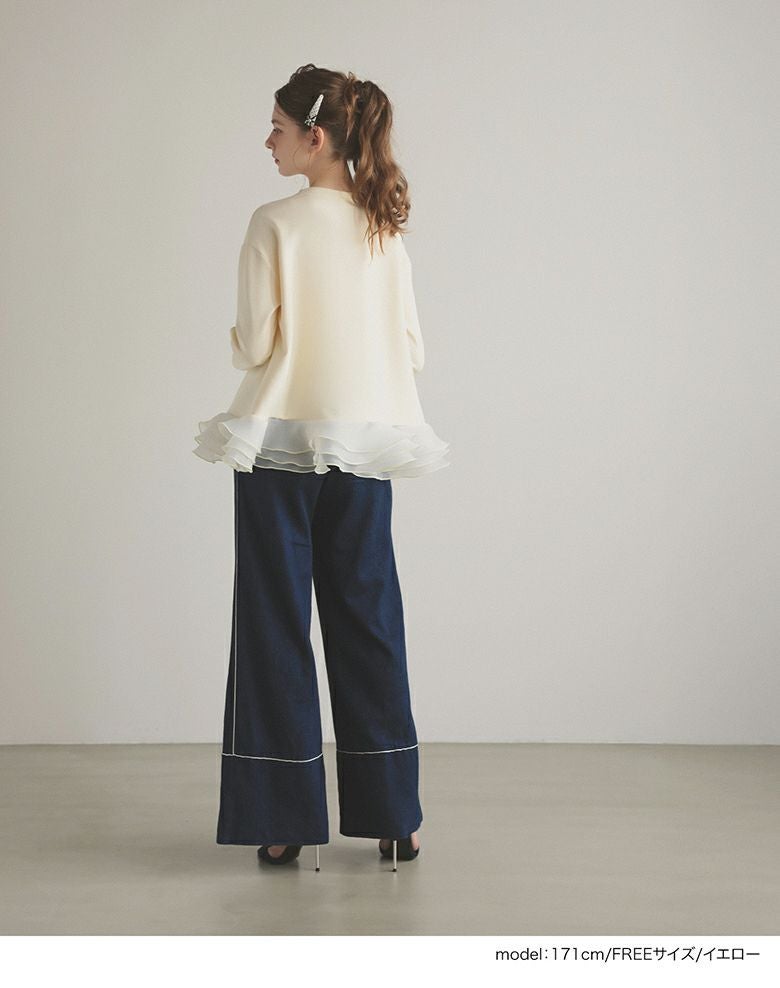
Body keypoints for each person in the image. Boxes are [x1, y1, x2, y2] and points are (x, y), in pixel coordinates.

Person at [193, 64, 450, 871]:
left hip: (279, 446)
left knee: (274, 622)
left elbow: (255, 346)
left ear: (316, 136)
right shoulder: (384, 227)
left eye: (277, 128)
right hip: (363, 447)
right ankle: (396, 817)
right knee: (368, 619)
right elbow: (412, 349)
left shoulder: (274, 223)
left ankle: (283, 818)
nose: (266, 141)